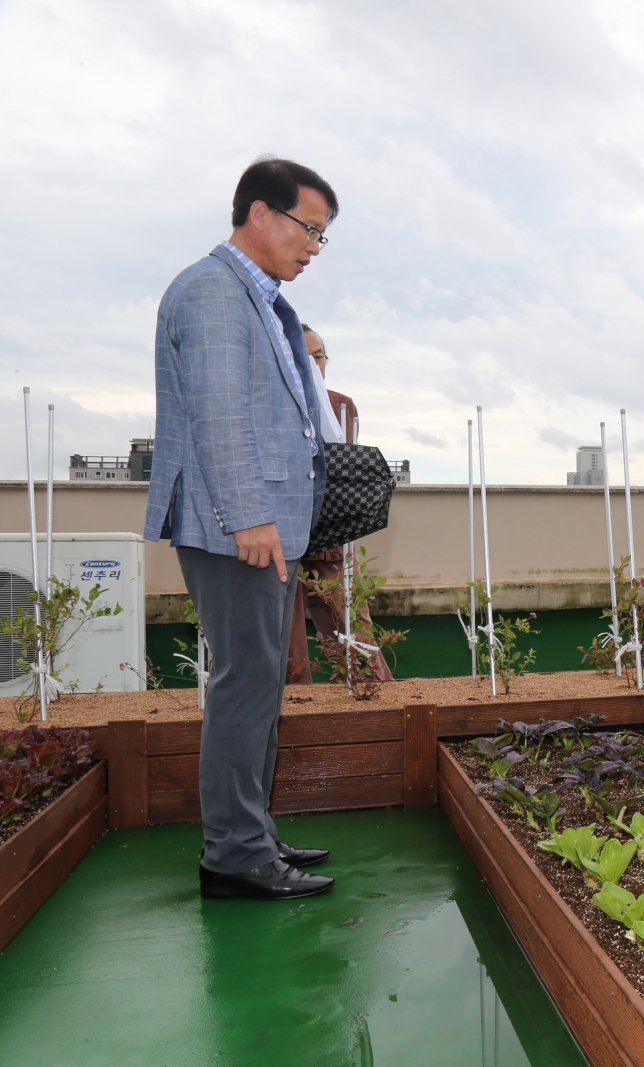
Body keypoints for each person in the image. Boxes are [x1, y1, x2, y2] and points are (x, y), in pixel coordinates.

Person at [142, 157, 339, 901]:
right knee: (245, 684)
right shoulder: (214, 293)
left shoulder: (251, 296)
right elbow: (221, 416)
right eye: (309, 228)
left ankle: (251, 830)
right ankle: (233, 853)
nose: (315, 247)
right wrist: (250, 516)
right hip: (237, 523)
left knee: (259, 681)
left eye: (324, 235)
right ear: (261, 213)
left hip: (257, 522)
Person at [286, 324, 394, 686]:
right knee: (287, 645)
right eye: (305, 356)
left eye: (319, 356)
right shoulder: (266, 404)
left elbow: (342, 465)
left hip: (331, 536)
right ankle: (294, 713)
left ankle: (375, 700)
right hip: (278, 535)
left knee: (353, 631)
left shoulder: (341, 406)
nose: (314, 364)